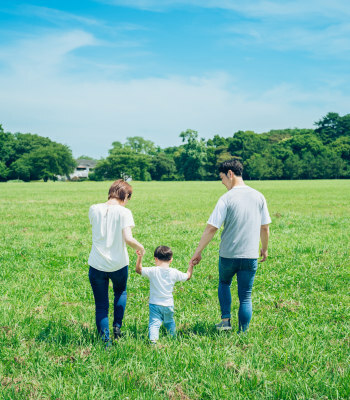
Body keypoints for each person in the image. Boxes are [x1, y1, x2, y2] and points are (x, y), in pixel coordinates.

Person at [189, 159, 271, 333]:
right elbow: (265, 227)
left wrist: (198, 252)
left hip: (228, 255)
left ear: (230, 174)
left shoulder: (226, 198)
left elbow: (212, 228)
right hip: (250, 255)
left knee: (224, 283)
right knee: (246, 296)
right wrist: (264, 248)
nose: (222, 183)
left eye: (222, 178)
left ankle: (225, 322)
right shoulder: (259, 196)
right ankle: (243, 332)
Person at [88, 179, 145, 346]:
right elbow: (128, 238)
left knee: (101, 305)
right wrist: (140, 247)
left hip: (97, 264)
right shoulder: (124, 212)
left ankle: (106, 342)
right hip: (119, 264)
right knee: (120, 292)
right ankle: (117, 328)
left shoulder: (94, 209)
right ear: (125, 195)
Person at [136, 246, 193, 343]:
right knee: (169, 322)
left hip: (155, 304)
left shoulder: (153, 271)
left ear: (155, 259)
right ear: (171, 260)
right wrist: (191, 265)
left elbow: (138, 270)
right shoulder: (174, 272)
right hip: (168, 305)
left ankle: (153, 342)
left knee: (154, 324)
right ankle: (173, 339)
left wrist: (140, 257)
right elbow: (187, 276)